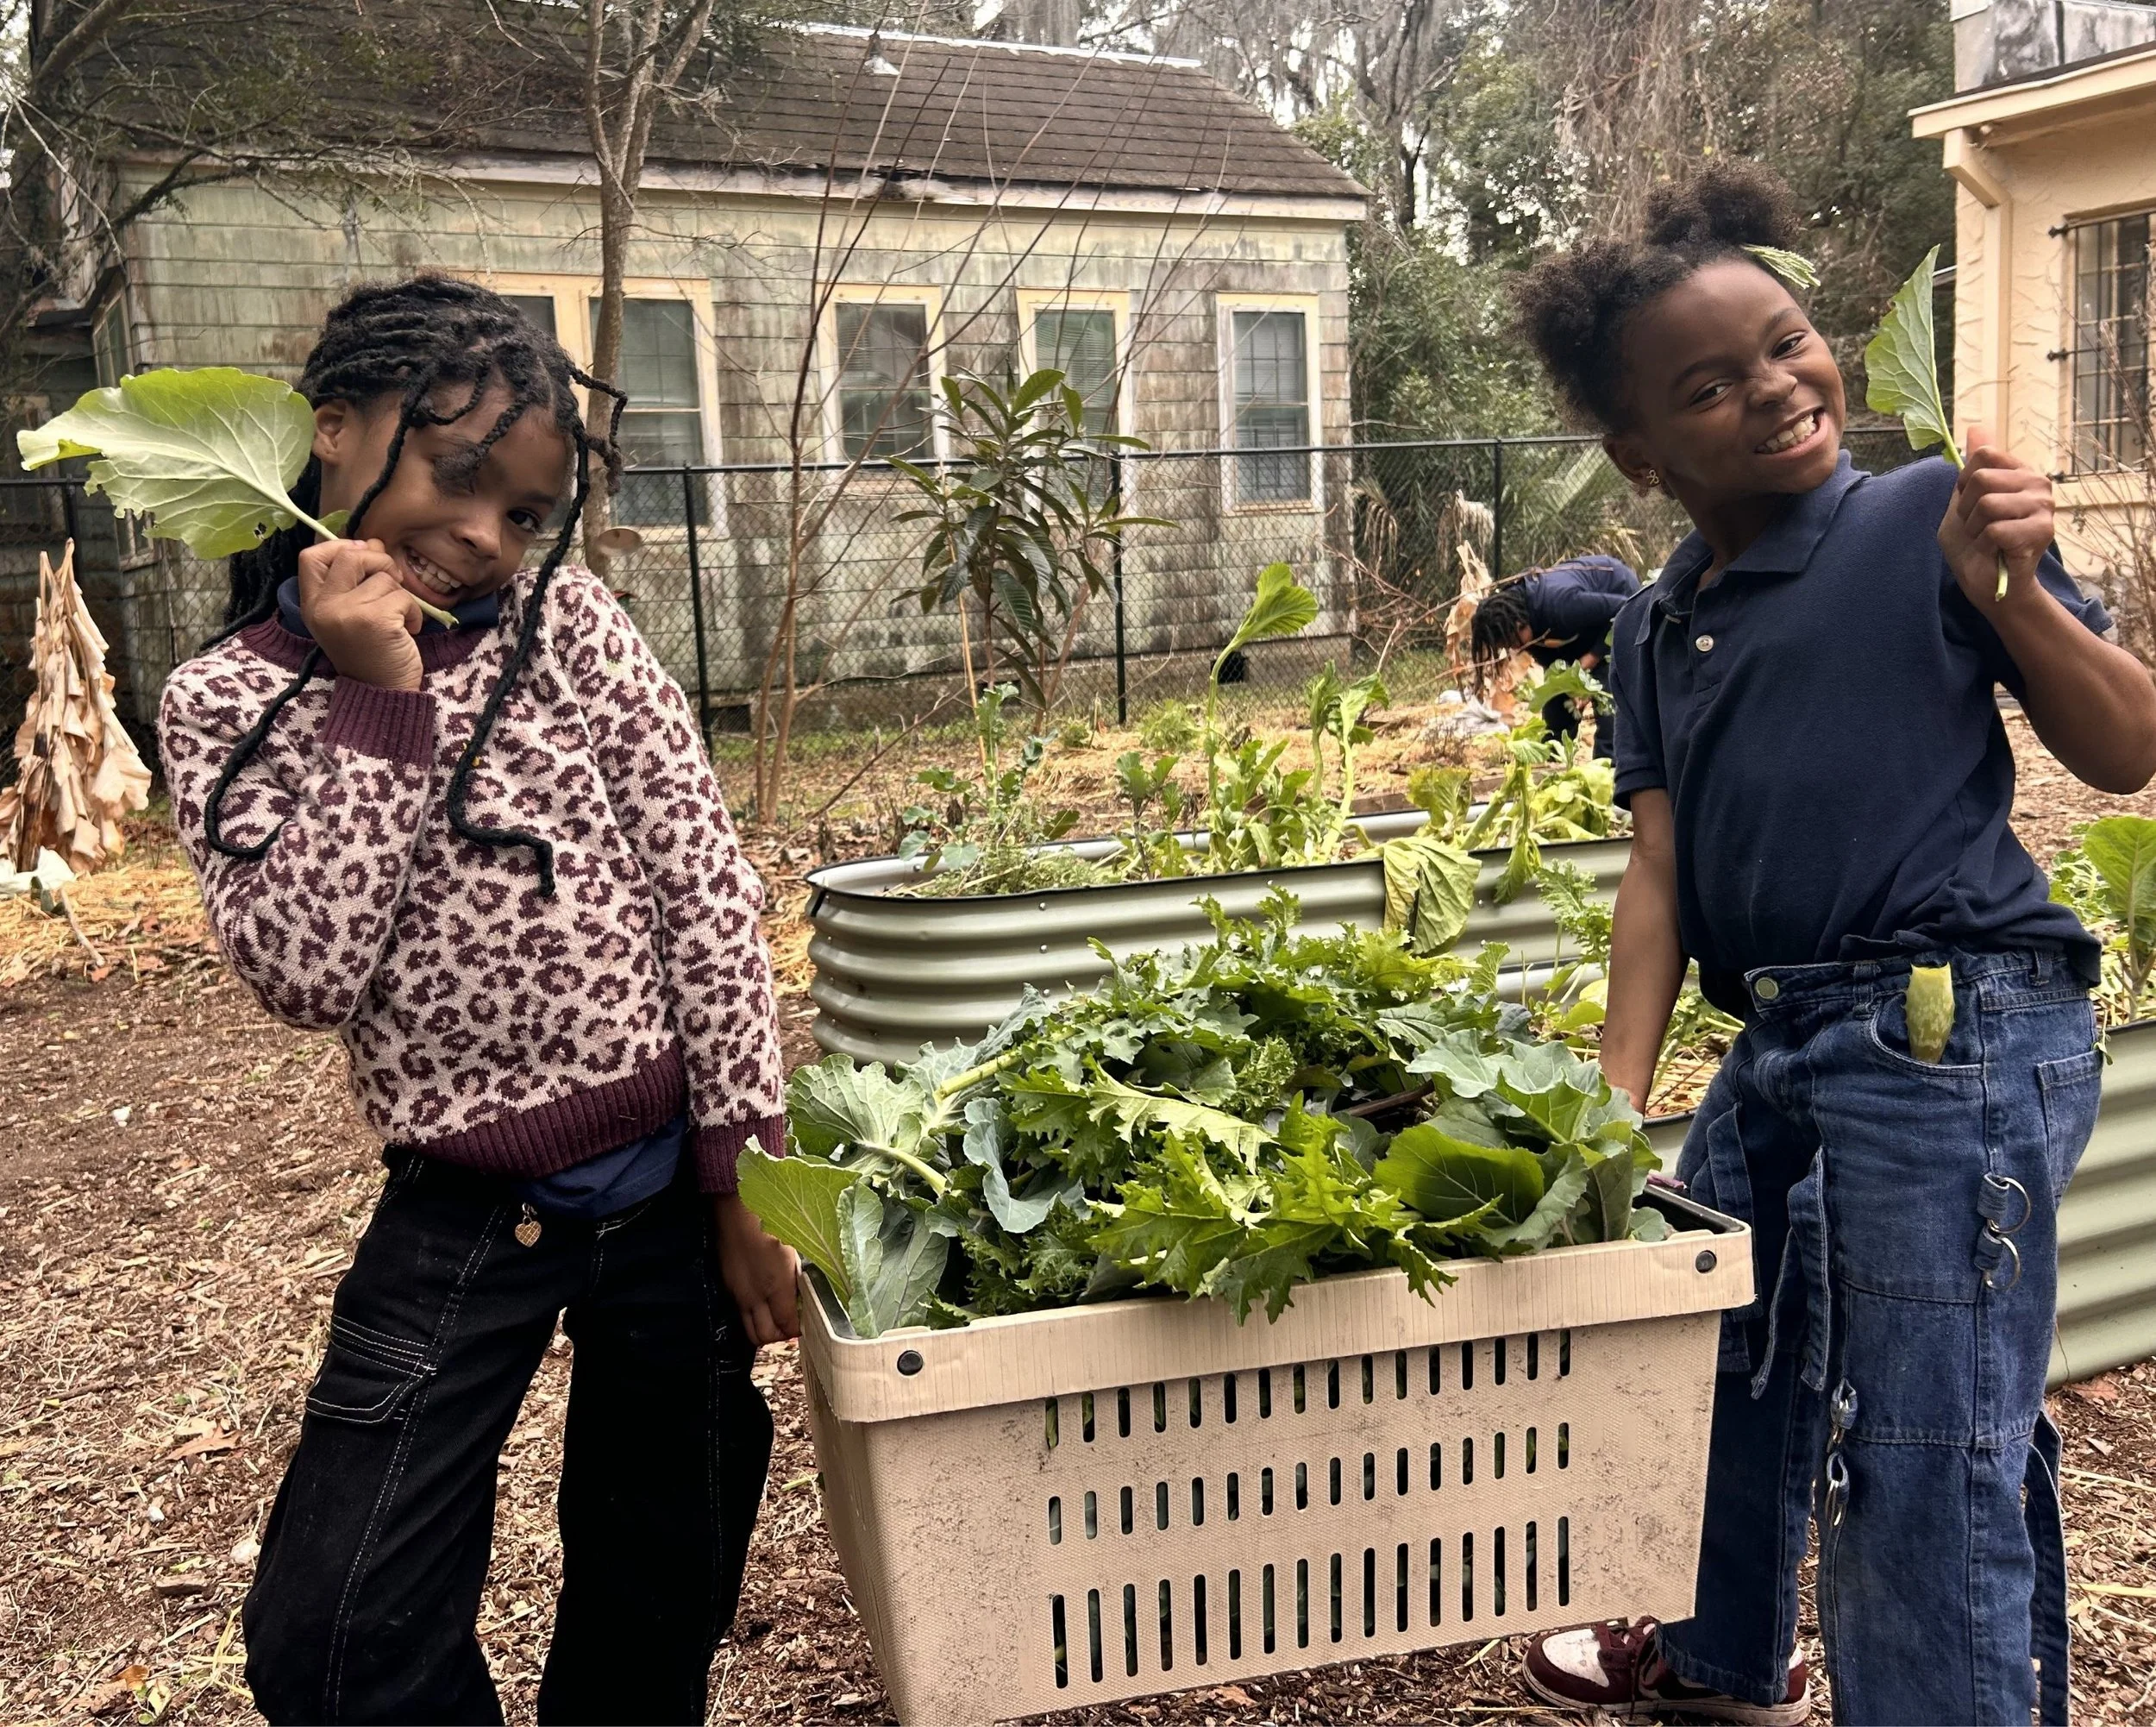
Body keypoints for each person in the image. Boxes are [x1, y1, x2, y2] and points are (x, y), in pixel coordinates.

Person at [1506, 167, 2156, 1726]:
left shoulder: (1920, 516)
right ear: (1639, 449)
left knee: (1923, 1428)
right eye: (1708, 386)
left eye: (1788, 344)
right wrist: (1616, 1095)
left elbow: (2126, 747)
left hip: (1954, 1022)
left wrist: (2017, 592)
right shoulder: (1653, 631)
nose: (1774, 389)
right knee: (1713, 1336)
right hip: (1787, 1030)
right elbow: (1659, 871)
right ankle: (1730, 1652)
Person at [156, 276, 800, 1726]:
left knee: (664, 1564)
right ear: (333, 431)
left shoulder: (563, 626)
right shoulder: (228, 700)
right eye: (456, 480)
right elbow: (303, 972)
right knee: (331, 1635)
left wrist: (745, 1169)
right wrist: (379, 696)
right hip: (462, 1210)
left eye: (521, 512)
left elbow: (702, 882)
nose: (483, 539)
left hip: (669, 1208)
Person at [1466, 553, 1641, 757]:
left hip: (1616, 601)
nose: (1515, 648)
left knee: (1608, 708)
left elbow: (1624, 607)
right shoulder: (1521, 622)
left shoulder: (1562, 605)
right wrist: (1572, 682)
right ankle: (1552, 762)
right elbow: (1551, 661)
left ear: (1519, 622)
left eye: (1513, 641)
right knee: (1557, 707)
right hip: (1578, 625)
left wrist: (1591, 658)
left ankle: (1609, 769)